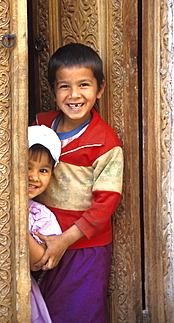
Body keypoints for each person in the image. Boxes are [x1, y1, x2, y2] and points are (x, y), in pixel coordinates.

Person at [32, 43, 124, 323]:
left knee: (79, 312)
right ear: (53, 90)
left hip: (84, 249)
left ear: (100, 89)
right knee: (44, 309)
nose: (74, 95)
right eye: (64, 86)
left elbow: (104, 206)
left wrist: (65, 240)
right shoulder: (40, 127)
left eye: (84, 85)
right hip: (41, 240)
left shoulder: (105, 143)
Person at [28, 125, 62, 323]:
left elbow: (37, 262)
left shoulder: (41, 215)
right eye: (27, 166)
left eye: (43, 170)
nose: (34, 176)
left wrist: (19, 223)